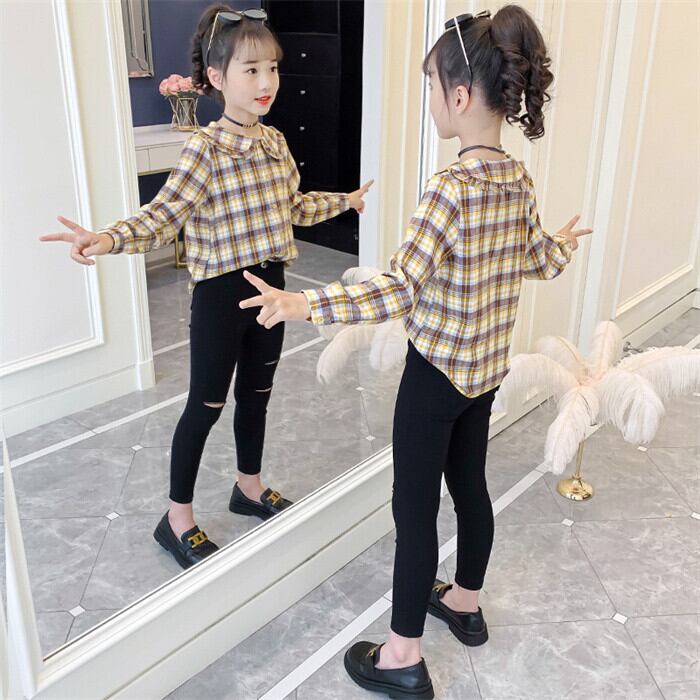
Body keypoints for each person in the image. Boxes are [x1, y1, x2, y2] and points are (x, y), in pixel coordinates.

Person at [240, 6, 592, 698]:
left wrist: (305, 304)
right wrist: (563, 244)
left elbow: (400, 289)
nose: (429, 98)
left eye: (430, 85)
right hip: (484, 375)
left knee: (414, 508)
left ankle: (401, 655)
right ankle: (464, 602)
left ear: (459, 96)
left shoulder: (449, 190)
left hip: (435, 380)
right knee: (470, 487)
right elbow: (537, 259)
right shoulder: (516, 180)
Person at [40, 4, 372, 571]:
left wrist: (346, 201)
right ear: (217, 77)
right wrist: (107, 238)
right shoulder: (204, 147)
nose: (267, 82)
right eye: (251, 69)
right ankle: (176, 519)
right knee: (206, 405)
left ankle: (248, 487)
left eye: (273, 68)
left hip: (273, 290)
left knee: (258, 395)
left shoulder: (274, 143)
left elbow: (293, 207)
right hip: (221, 296)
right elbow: (163, 215)